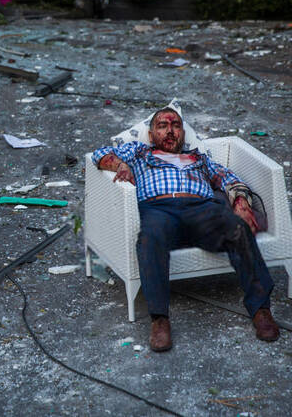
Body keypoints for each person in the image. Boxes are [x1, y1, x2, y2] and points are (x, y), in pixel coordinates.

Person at [92, 107, 279, 351]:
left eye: (176, 125)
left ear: (182, 132)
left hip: (202, 209)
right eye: (162, 126)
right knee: (150, 237)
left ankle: (261, 309)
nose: (170, 131)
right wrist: (120, 165)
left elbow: (228, 177)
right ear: (151, 135)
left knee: (238, 229)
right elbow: (99, 154)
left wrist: (241, 202)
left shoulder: (199, 159)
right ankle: (159, 319)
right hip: (159, 209)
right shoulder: (139, 152)